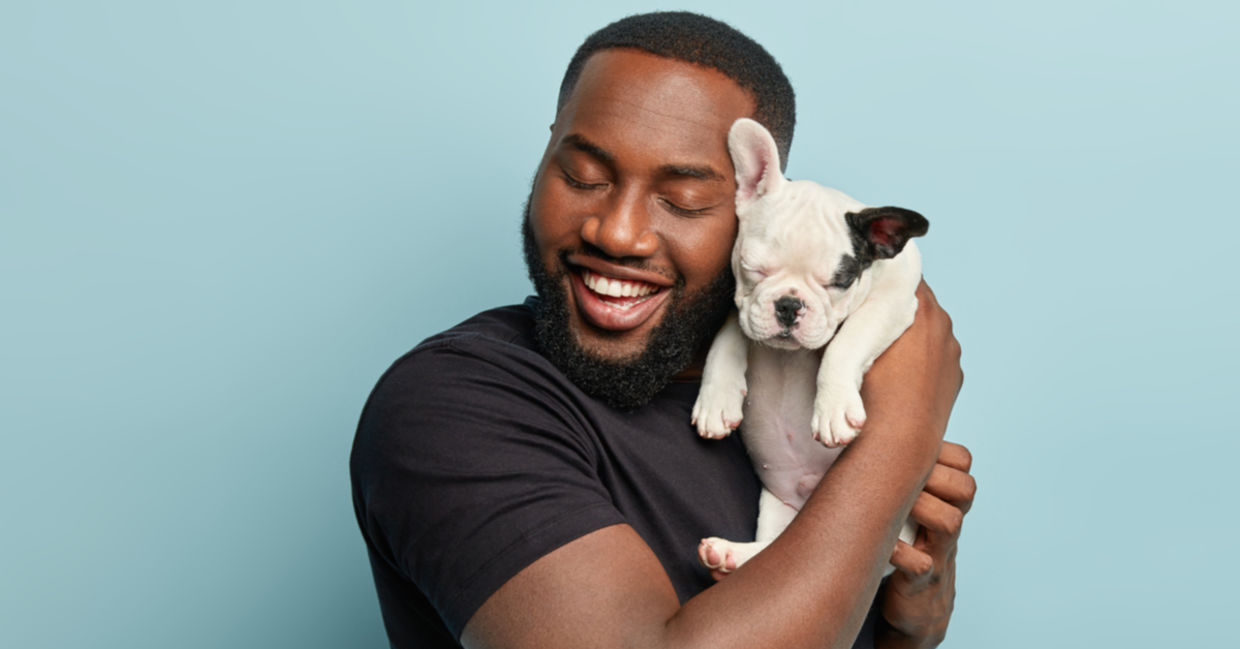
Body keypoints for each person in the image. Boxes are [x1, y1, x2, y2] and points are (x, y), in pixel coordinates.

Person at [351, 11, 974, 649]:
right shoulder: (454, 407)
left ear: (753, 197)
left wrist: (910, 625)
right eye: (584, 176)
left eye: (682, 200)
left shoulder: (797, 377)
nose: (617, 232)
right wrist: (903, 432)